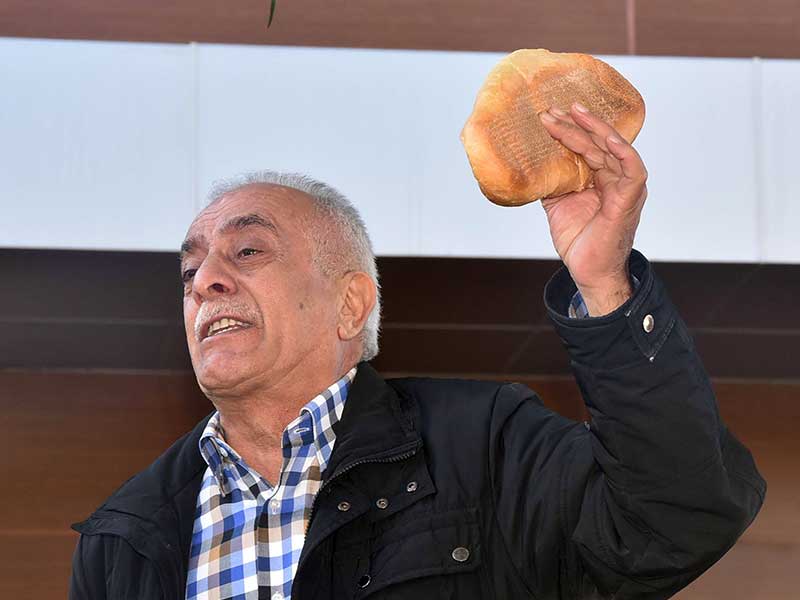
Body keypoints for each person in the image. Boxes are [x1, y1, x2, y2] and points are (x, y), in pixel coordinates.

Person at [69, 103, 765, 599]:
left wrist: (606, 284)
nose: (205, 282)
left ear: (351, 303)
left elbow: (677, 517)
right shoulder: (122, 537)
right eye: (190, 272)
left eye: (248, 250)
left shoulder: (483, 443)